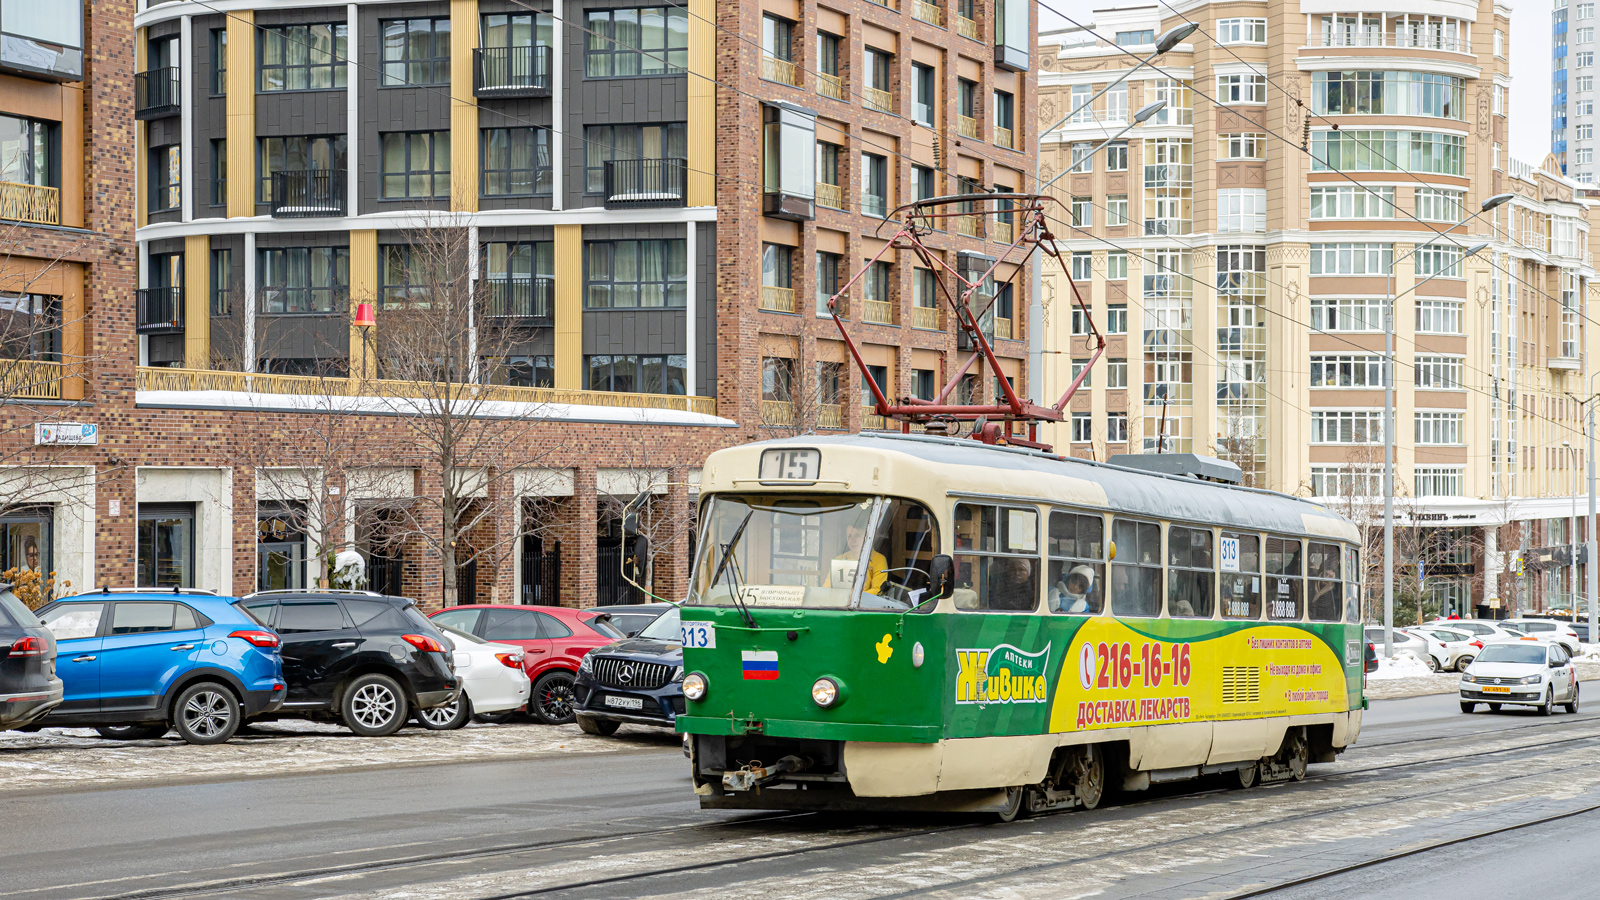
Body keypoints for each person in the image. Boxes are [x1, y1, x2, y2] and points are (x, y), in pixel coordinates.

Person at [828, 522, 886, 594]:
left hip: (864, 604)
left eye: (857, 535)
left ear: (867, 537)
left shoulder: (878, 559)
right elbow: (827, 588)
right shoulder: (839, 559)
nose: (853, 541)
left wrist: (854, 598)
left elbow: (878, 589)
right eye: (849, 536)